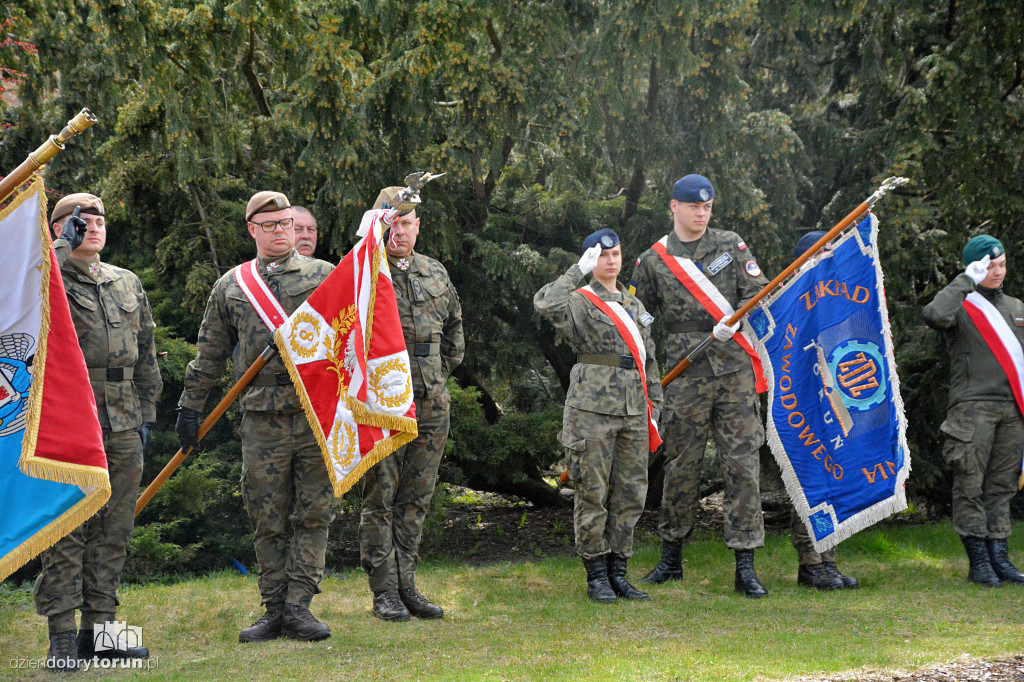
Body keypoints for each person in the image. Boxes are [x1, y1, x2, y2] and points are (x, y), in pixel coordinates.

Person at [175, 191, 335, 642]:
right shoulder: (231, 285)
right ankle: (272, 608)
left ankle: (299, 607)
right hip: (261, 418)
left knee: (315, 511)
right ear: (253, 230)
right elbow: (209, 353)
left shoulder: (326, 276)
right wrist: (190, 405)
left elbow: (355, 336)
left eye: (287, 223)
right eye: (271, 225)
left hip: (314, 414)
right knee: (267, 513)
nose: (282, 231)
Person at [35, 193, 162, 670]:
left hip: (123, 419)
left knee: (115, 530)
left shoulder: (124, 282)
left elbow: (146, 350)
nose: (92, 226)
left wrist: (147, 412)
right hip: (67, 417)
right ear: (59, 229)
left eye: (99, 219)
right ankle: (63, 638)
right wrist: (56, 251)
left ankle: (102, 633)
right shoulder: (44, 279)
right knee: (66, 528)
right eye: (78, 221)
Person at [629, 174, 770, 598]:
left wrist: (737, 322)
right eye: (693, 207)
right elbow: (637, 312)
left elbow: (758, 291)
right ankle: (671, 559)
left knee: (742, 465)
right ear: (674, 207)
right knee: (680, 466)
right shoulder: (653, 260)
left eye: (707, 207)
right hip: (684, 374)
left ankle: (745, 565)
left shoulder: (730, 244)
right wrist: (667, 338)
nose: (701, 213)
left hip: (733, 371)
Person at [534, 228, 663, 602]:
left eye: (616, 254)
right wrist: (577, 270)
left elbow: (649, 361)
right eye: (603, 255)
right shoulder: (580, 300)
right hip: (592, 410)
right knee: (593, 492)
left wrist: (656, 407)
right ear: (593, 259)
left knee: (630, 494)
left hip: (635, 410)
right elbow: (546, 305)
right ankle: (596, 575)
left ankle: (618, 572)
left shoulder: (634, 306)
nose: (611, 260)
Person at [359, 185, 464, 621]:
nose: (399, 230)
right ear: (380, 222)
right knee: (380, 499)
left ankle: (407, 584)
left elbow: (455, 338)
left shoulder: (435, 271)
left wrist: (434, 379)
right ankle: (384, 591)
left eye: (406, 222)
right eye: (392, 221)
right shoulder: (365, 272)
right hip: (383, 402)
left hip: (431, 401)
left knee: (417, 498)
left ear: (417, 226)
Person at [923, 234, 1024, 587]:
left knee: (1002, 487)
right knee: (969, 485)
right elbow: (935, 314)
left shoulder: (1016, 307)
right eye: (989, 266)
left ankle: (1000, 559)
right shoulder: (962, 304)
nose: (998, 272)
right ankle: (978, 562)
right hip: (972, 411)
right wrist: (967, 279)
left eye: (1001, 264)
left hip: (1012, 410)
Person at [783, 231, 859, 591]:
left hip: (833, 399)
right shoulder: (789, 297)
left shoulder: (835, 296)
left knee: (835, 476)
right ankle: (811, 562)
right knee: (810, 477)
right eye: (821, 255)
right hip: (802, 403)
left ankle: (828, 559)